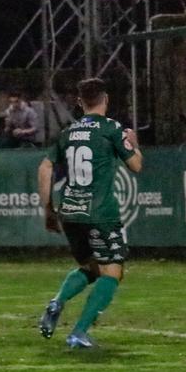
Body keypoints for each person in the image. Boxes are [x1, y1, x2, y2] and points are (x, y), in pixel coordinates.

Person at [36, 78, 143, 349]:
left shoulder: (68, 131)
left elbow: (45, 168)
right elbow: (136, 166)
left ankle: (56, 303)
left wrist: (48, 209)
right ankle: (79, 332)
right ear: (105, 98)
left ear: (80, 102)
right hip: (100, 213)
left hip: (70, 211)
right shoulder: (111, 129)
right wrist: (134, 142)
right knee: (113, 272)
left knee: (91, 268)